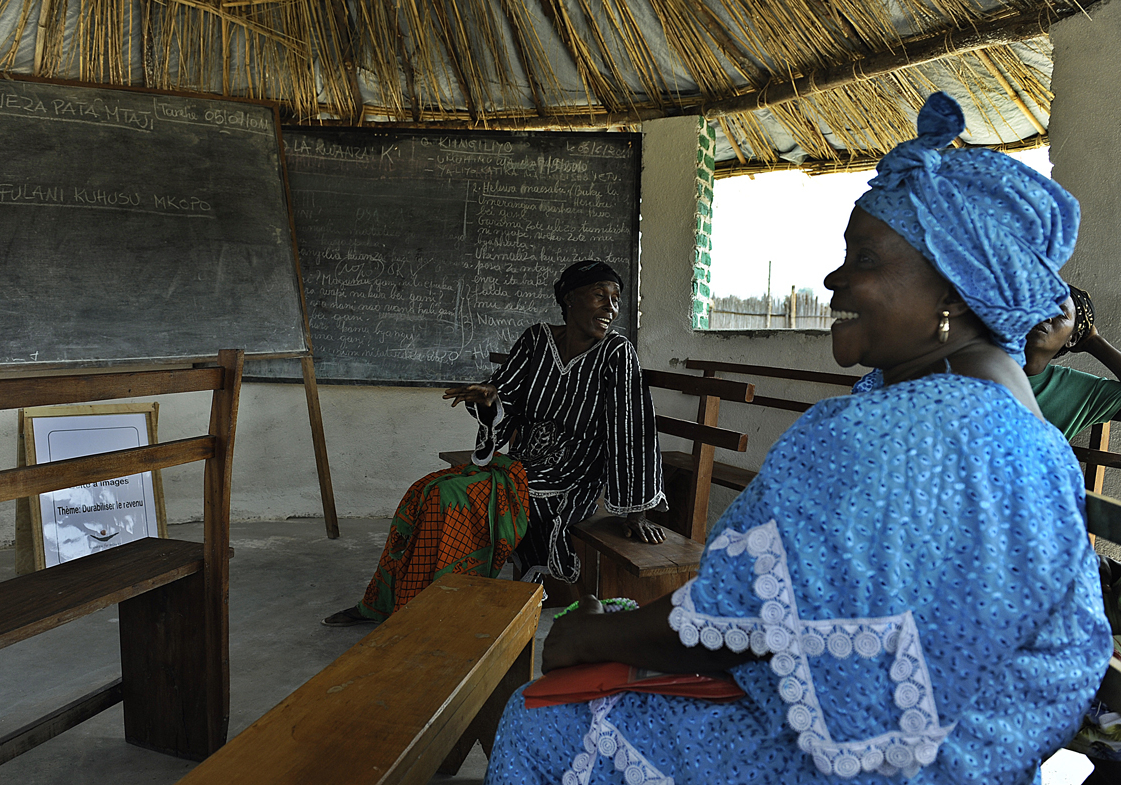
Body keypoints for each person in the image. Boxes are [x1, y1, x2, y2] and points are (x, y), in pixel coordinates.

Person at [484, 93, 1111, 784]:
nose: (834, 278)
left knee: (539, 716)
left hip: (856, 765)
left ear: (954, 292)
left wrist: (584, 635)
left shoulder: (891, 432)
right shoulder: (1024, 427)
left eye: (864, 258)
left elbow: (738, 624)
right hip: (969, 757)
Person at [323, 260, 667, 627]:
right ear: (569, 299)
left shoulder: (617, 353)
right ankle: (389, 602)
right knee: (424, 492)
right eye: (600, 295)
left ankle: (435, 611)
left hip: (569, 480)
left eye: (616, 300)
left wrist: (637, 511)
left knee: (453, 497)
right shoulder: (537, 340)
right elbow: (505, 395)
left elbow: (634, 429)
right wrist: (490, 401)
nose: (610, 308)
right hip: (522, 466)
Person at [1025, 285, 1121, 440]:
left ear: (1073, 338)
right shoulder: (977, 365)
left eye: (1060, 313)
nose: (1046, 315)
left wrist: (1094, 343)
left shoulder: (1079, 391)